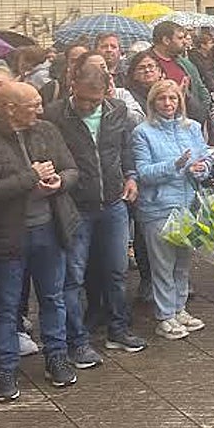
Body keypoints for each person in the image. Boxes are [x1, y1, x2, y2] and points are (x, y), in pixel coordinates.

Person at [0, 83, 80, 401]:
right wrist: (30, 177)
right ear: (9, 109)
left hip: (49, 228)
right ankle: (6, 369)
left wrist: (60, 182)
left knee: (52, 297)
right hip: (6, 237)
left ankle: (56, 357)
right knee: (5, 308)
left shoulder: (46, 130)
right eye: (33, 104)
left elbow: (72, 169)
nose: (40, 109)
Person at [47, 64, 146, 365]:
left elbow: (124, 149)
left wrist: (131, 176)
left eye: (95, 99)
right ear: (71, 84)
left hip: (114, 202)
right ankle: (77, 341)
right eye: (83, 98)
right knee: (73, 277)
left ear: (107, 91)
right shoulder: (54, 114)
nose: (88, 105)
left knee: (117, 271)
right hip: (76, 206)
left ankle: (118, 329)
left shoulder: (116, 110)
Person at [130, 80, 210, 340]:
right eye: (162, 99)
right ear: (153, 102)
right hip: (159, 207)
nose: (168, 104)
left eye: (173, 99)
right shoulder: (142, 132)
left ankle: (180, 308)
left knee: (183, 263)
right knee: (162, 265)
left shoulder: (193, 128)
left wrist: (202, 169)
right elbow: (143, 173)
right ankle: (165, 316)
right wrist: (174, 165)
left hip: (189, 204)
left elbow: (205, 159)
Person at [150, 21, 209, 125]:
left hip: (189, 122)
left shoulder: (185, 63)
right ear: (166, 40)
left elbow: (201, 89)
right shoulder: (146, 63)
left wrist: (203, 111)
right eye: (180, 38)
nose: (185, 42)